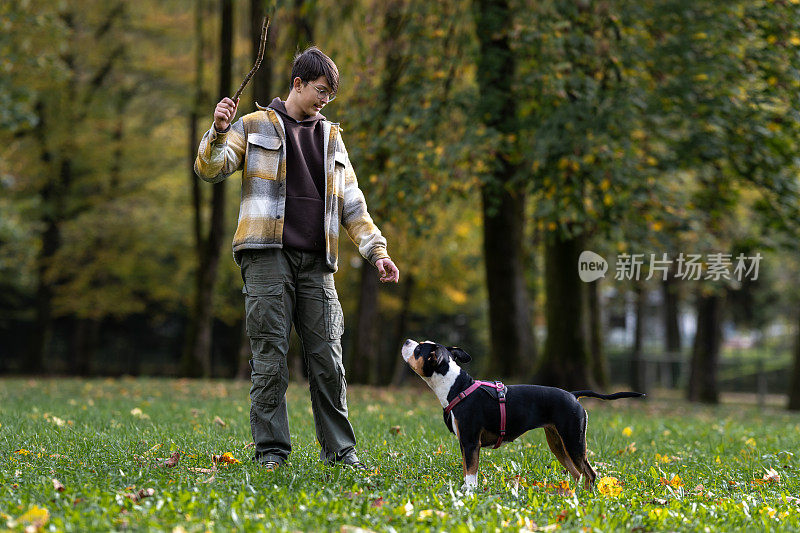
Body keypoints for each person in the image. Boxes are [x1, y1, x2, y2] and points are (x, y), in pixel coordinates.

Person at [194, 46, 400, 470]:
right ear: (298, 84)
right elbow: (210, 169)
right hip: (266, 256)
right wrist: (217, 130)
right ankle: (272, 452)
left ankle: (341, 452)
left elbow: (353, 205)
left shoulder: (332, 138)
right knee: (270, 358)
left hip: (317, 262)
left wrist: (377, 251)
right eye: (320, 91)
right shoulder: (252, 126)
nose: (325, 101)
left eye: (331, 95)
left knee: (328, 359)